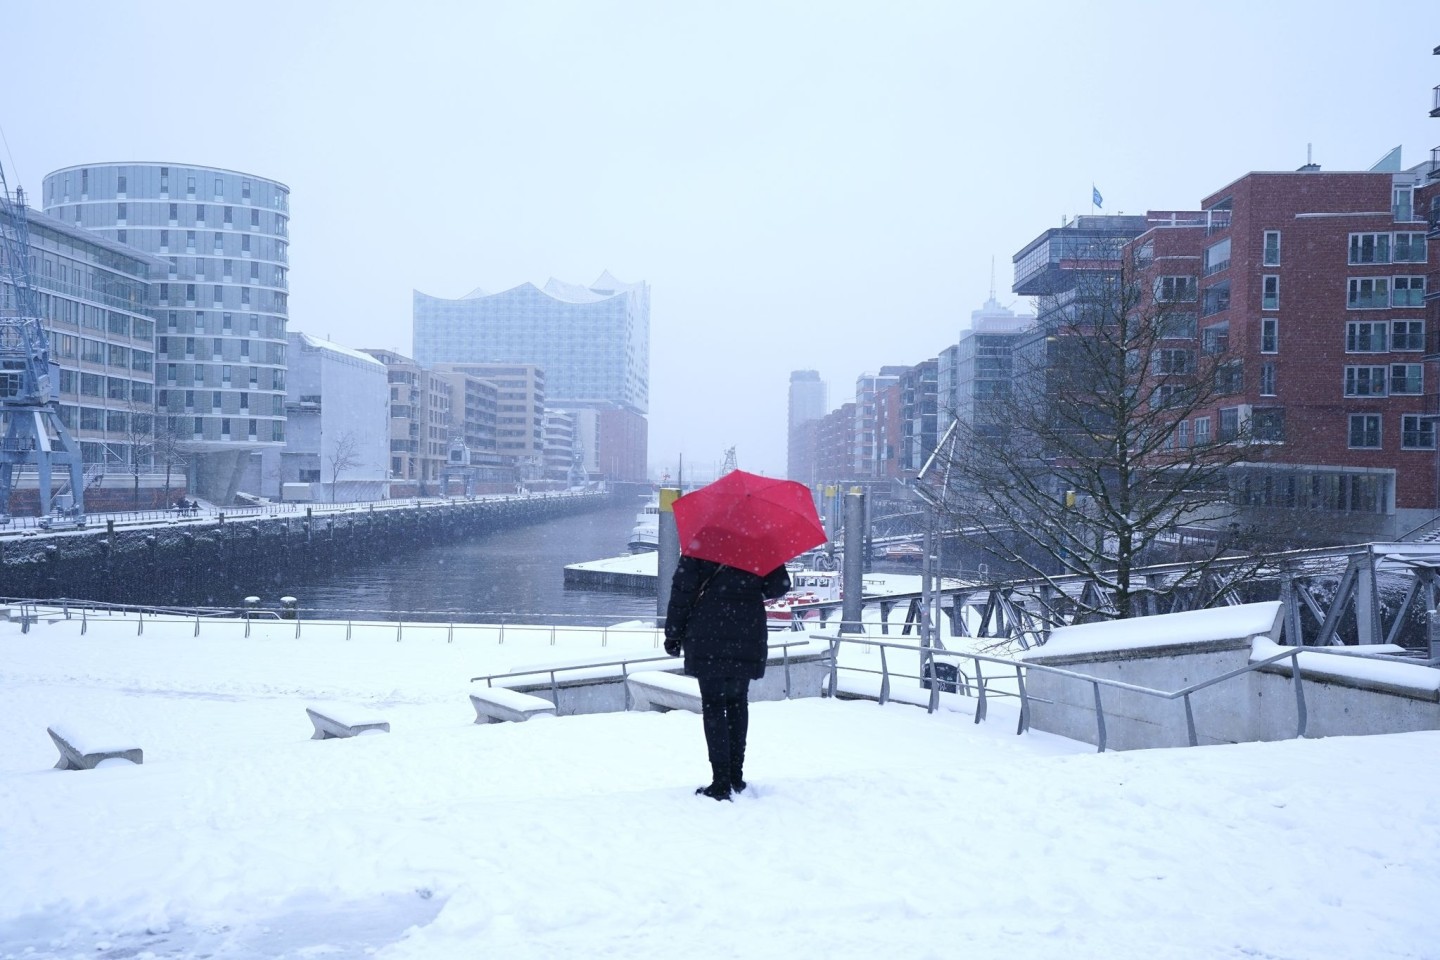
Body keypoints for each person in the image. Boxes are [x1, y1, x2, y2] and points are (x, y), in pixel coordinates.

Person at [664, 555, 791, 801]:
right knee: (737, 702)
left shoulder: (700, 545)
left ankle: (720, 781)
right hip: (747, 631)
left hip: (707, 632)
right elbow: (779, 586)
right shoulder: (757, 543)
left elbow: (682, 593)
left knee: (713, 705)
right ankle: (735, 776)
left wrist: (673, 634)